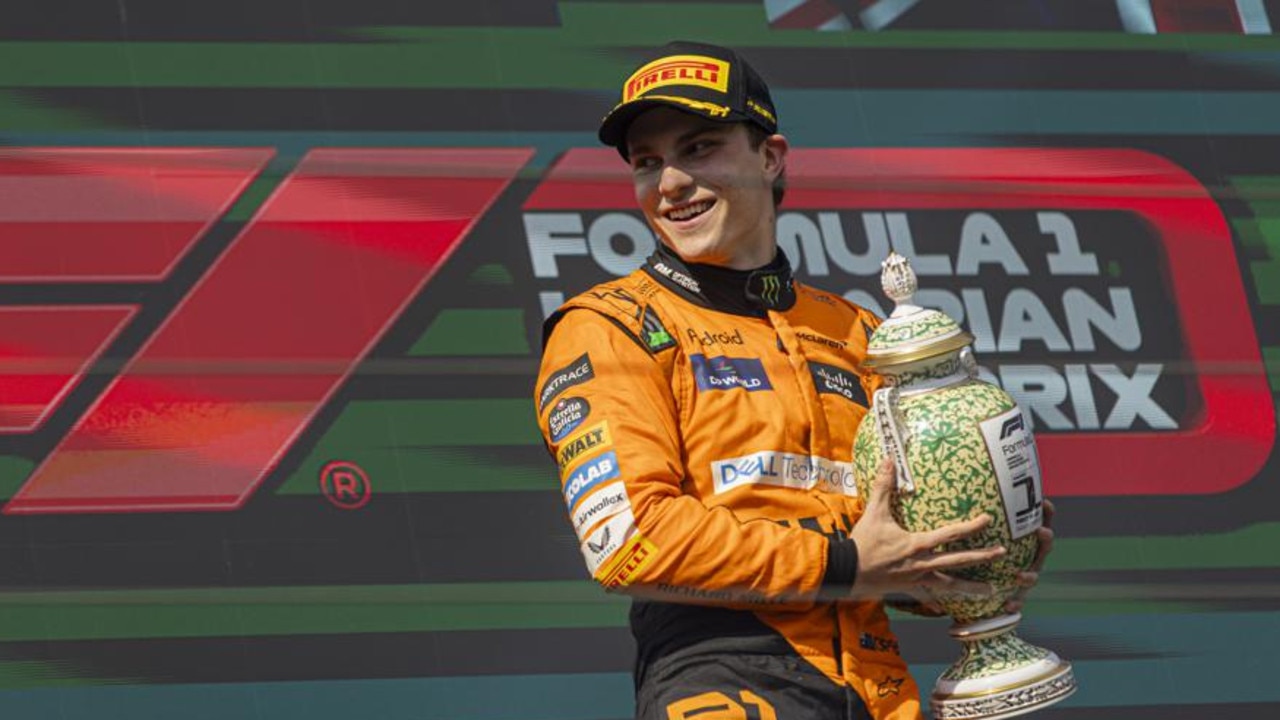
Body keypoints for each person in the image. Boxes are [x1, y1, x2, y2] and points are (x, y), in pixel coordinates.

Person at [534, 41, 1053, 720]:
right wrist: (843, 563)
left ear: (771, 158)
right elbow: (631, 541)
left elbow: (889, 550)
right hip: (717, 677)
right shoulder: (610, 325)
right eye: (647, 163)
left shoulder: (859, 333)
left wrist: (973, 558)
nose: (670, 184)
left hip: (880, 689)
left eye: (699, 149)